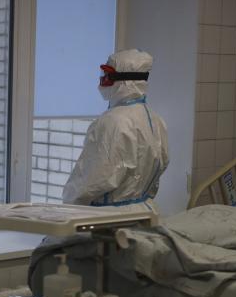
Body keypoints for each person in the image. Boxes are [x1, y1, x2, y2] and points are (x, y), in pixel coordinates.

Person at [62, 49, 169, 213]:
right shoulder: (156, 119)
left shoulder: (110, 122)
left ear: (124, 81)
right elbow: (162, 163)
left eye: (107, 76)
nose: (101, 82)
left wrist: (68, 205)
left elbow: (92, 179)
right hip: (145, 212)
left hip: (107, 218)